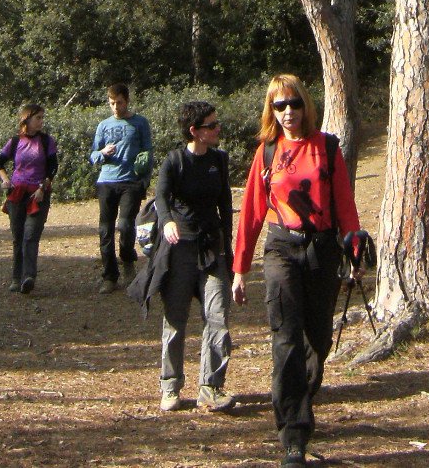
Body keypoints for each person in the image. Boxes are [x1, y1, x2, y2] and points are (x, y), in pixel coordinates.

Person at [232, 75, 362, 468]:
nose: (288, 112)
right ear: (270, 110)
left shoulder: (327, 147)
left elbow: (344, 203)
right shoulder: (267, 152)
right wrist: (239, 269)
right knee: (286, 338)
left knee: (317, 340)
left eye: (294, 104)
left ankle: (300, 401)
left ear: (306, 105)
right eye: (279, 105)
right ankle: (293, 434)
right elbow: (252, 212)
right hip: (281, 249)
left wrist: (354, 248)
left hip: (322, 249)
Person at [154, 100, 236, 413]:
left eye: (217, 123)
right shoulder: (174, 161)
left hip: (212, 250)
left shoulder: (219, 160)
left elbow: (225, 204)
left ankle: (211, 387)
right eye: (212, 125)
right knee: (175, 320)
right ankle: (170, 386)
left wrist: (228, 248)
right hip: (180, 251)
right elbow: (161, 196)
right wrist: (168, 222)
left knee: (217, 317)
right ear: (195, 131)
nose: (218, 129)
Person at [90, 82, 153, 293]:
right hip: (106, 181)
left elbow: (147, 151)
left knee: (126, 225)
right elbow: (93, 155)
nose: (116, 107)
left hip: (130, 182)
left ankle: (127, 261)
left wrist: (144, 179)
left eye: (119, 103)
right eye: (112, 103)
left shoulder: (139, 123)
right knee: (105, 229)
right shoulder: (103, 125)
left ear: (127, 101)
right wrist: (102, 154)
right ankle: (109, 276)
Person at [0, 102, 58, 295]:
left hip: (38, 194)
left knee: (31, 235)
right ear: (27, 119)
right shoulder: (15, 142)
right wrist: (5, 180)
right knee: (18, 237)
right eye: (38, 118)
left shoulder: (47, 141)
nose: (41, 121)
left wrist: (43, 187)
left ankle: (29, 276)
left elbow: (53, 167)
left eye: (42, 118)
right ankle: (16, 277)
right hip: (17, 194)